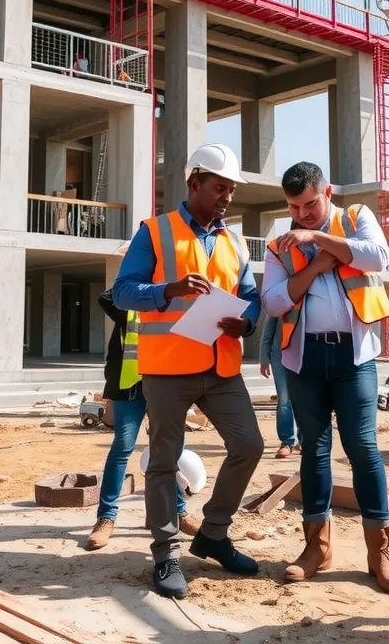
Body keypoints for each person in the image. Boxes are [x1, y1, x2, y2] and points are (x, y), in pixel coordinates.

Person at [112, 142, 264, 600]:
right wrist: (168, 289)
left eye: (232, 190)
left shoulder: (234, 241)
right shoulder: (155, 232)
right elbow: (122, 292)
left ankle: (213, 533)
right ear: (194, 182)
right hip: (169, 368)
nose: (227, 197)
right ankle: (166, 554)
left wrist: (248, 320)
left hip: (220, 365)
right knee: (163, 462)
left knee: (249, 445)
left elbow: (251, 294)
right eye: (220, 187)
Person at [261, 161, 389, 594]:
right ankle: (316, 547)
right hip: (304, 360)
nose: (300, 214)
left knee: (363, 446)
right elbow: (272, 301)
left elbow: (380, 257)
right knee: (314, 451)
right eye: (293, 207)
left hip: (354, 356)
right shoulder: (277, 245)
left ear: (327, 193)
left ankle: (380, 553)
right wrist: (317, 265)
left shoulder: (357, 218)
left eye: (308, 204)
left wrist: (320, 239)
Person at [84, 288, 201, 551]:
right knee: (122, 447)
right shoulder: (127, 301)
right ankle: (106, 518)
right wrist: (134, 273)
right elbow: (105, 297)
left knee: (169, 450)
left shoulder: (175, 300)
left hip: (165, 382)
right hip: (130, 385)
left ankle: (176, 512)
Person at [259, 314, 301, 458]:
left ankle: (304, 439)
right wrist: (264, 357)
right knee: (284, 399)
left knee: (305, 398)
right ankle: (287, 441)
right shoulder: (278, 298)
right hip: (280, 356)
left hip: (305, 355)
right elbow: (268, 331)